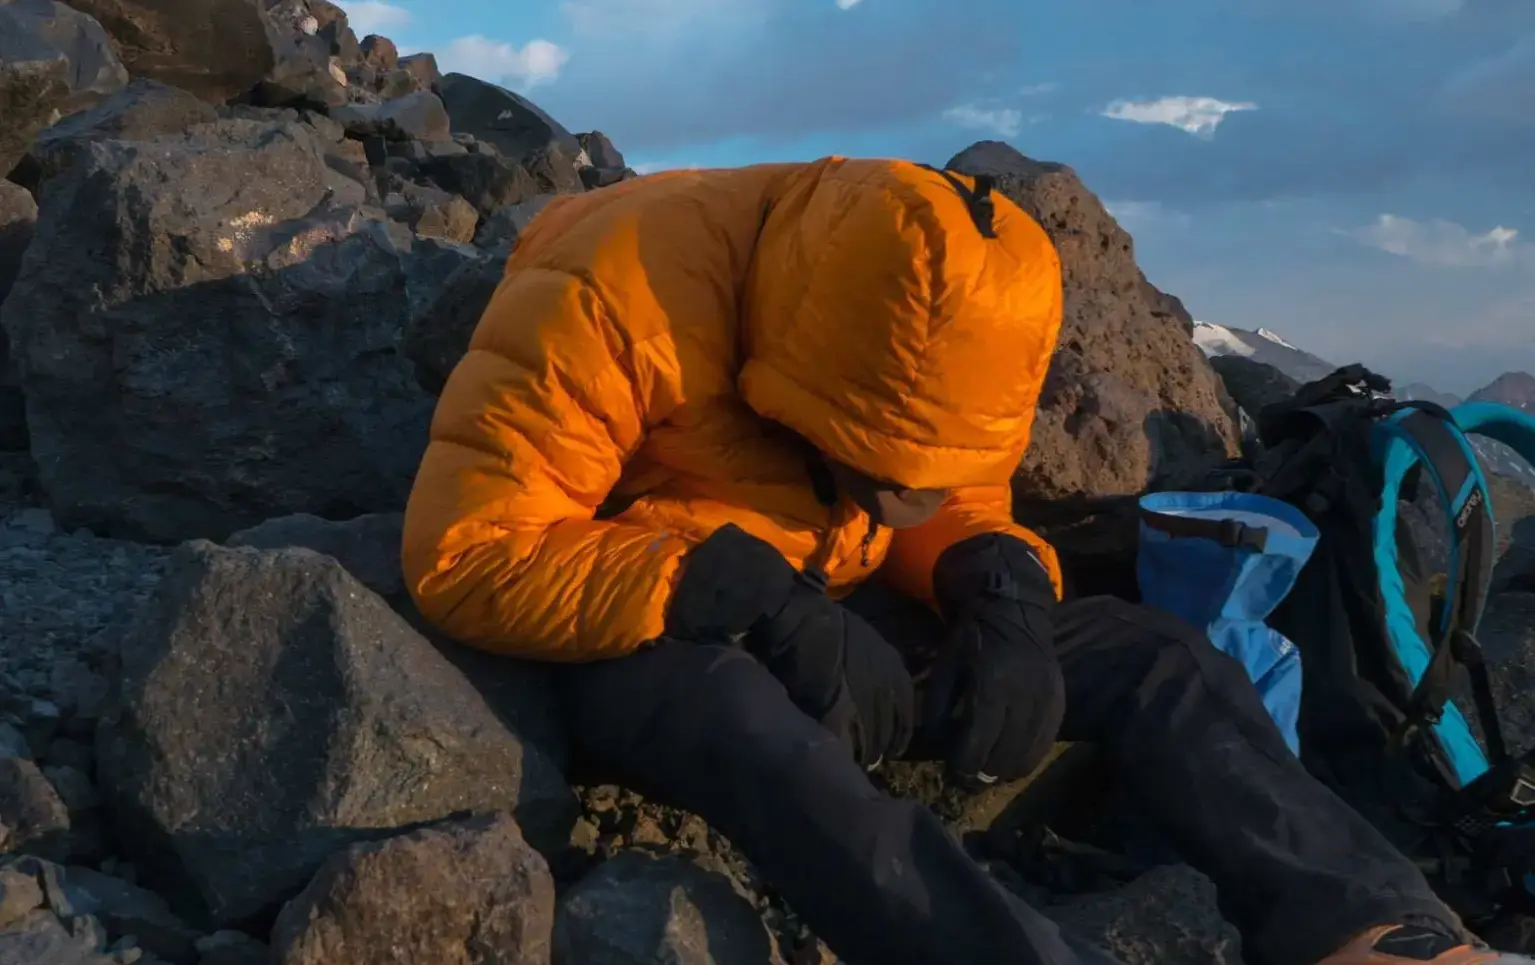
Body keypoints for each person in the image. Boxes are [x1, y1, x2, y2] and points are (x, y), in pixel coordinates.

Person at [400, 157, 1528, 965]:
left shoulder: (933, 305)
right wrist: (738, 590)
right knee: (749, 727)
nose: (911, 501)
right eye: (886, 472)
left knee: (1154, 653)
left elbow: (952, 477)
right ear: (798, 375)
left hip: (828, 606)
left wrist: (993, 582)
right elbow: (466, 551)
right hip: (644, 616)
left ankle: (1376, 926)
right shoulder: (615, 293)